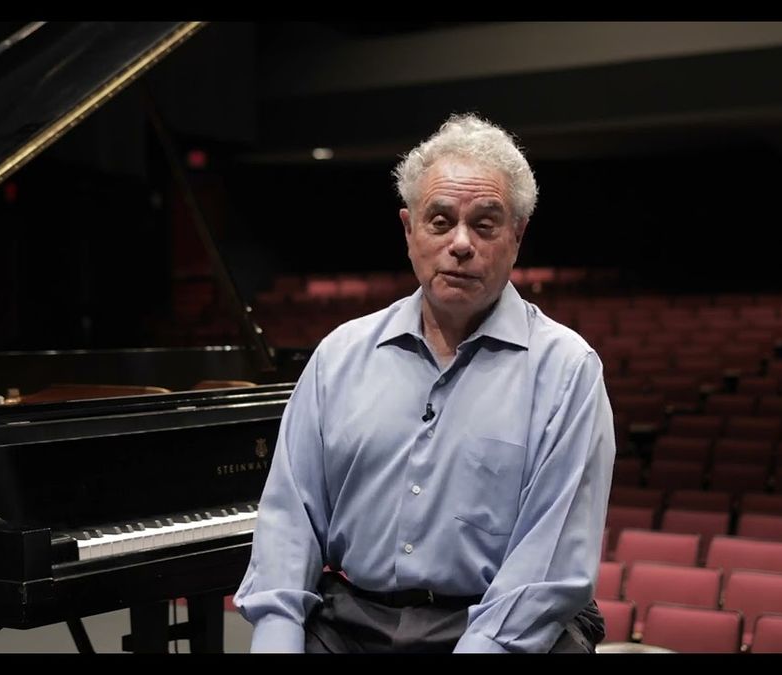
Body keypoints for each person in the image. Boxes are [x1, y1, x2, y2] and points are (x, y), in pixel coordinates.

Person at [234, 112, 615, 653]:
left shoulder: (567, 371)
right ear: (409, 229)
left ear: (517, 235)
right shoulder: (339, 356)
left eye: (485, 224)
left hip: (500, 625)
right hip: (351, 620)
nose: (461, 243)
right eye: (440, 221)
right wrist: (276, 635)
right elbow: (288, 522)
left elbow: (546, 571)